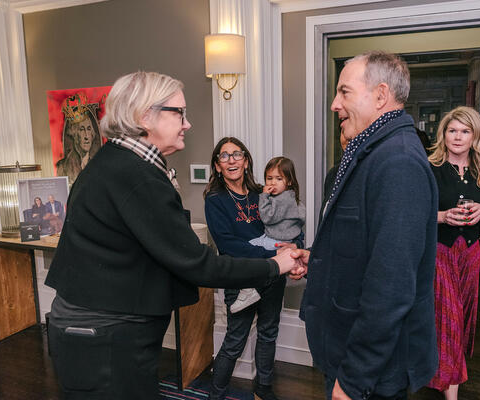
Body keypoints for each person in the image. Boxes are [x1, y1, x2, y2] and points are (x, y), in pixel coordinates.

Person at [44, 72, 300, 400]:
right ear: (143, 116)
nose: (187, 123)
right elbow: (197, 263)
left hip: (104, 330)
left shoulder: (121, 164)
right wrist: (275, 266)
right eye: (179, 112)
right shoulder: (135, 176)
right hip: (106, 337)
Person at [291, 51, 439, 400]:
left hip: (370, 373)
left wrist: (354, 379)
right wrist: (317, 259)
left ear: (380, 95)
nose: (334, 104)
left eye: (344, 92)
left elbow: (391, 287)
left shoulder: (397, 163)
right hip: (349, 354)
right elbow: (364, 246)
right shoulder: (370, 152)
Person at [204, 138, 301, 400]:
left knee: (269, 334)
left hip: (273, 277)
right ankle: (217, 395)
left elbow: (289, 222)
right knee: (235, 341)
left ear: (246, 161)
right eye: (225, 156)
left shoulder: (264, 192)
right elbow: (229, 245)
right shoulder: (215, 200)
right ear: (218, 165)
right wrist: (274, 255)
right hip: (241, 278)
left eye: (237, 154)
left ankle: (263, 391)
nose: (232, 160)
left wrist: (295, 248)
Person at [426, 106, 480, 400]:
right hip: (438, 253)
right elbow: (411, 211)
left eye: (465, 131)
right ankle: (451, 394)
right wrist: (443, 216)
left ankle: (441, 376)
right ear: (443, 134)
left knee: (463, 319)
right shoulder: (429, 167)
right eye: (452, 130)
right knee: (450, 319)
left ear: (475, 136)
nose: (458, 137)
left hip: (470, 256)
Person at [231, 156, 305, 313]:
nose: (272, 183)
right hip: (277, 238)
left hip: (275, 241)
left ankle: (248, 289)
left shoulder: (282, 199)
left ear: (289, 181)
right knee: (250, 249)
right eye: (269, 178)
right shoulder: (292, 198)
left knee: (247, 255)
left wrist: (263, 196)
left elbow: (267, 217)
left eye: (279, 178)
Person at [56, 106, 102, 185]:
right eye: (81, 129)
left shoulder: (99, 165)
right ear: (74, 134)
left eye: (88, 129)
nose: (86, 136)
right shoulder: (63, 167)